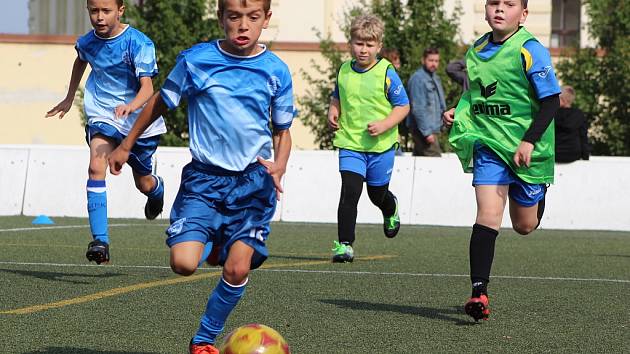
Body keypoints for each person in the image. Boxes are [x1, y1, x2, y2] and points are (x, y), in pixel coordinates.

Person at [108, 0, 293, 352]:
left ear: (266, 19)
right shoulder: (197, 61)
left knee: (238, 270)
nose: (243, 26)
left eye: (253, 18)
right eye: (234, 17)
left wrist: (280, 164)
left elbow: (283, 130)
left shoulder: (276, 71)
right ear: (221, 17)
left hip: (253, 185)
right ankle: (217, 239)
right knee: (183, 264)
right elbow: (160, 101)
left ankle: (204, 340)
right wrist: (126, 145)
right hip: (204, 182)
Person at [442, 0, 561, 322]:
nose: (499, 9)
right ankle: (479, 292)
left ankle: (539, 194)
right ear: (485, 10)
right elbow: (476, 94)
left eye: (509, 4)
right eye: (494, 3)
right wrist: (459, 110)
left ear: (522, 15)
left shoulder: (531, 50)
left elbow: (551, 101)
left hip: (527, 149)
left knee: (524, 226)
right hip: (488, 144)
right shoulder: (476, 49)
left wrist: (529, 140)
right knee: (488, 214)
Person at [45, 0, 165, 265]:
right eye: (94, 11)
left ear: (120, 10)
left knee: (142, 183)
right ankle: (100, 241)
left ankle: (156, 190)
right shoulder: (88, 42)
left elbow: (148, 88)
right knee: (95, 168)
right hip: (103, 115)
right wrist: (68, 97)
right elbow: (80, 61)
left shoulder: (138, 43)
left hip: (138, 123)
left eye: (106, 11)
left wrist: (132, 106)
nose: (99, 17)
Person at [328, 14, 410, 263]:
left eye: (369, 45)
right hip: (350, 143)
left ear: (379, 46)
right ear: (350, 43)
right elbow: (337, 96)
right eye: (358, 43)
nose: (363, 50)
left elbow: (403, 106)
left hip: (381, 147)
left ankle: (390, 207)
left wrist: (385, 124)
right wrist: (333, 110)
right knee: (350, 191)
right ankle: (345, 245)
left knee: (376, 195)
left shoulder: (386, 71)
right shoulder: (343, 70)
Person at [406, 48, 446, 156]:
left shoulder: (434, 77)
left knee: (420, 163)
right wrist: (427, 133)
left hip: (431, 129)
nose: (434, 64)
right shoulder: (418, 79)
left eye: (436, 61)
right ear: (423, 60)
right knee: (434, 162)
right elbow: (418, 108)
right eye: (431, 60)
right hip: (423, 131)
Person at [555, 85, 589, 163]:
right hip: (573, 154)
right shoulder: (579, 115)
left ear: (562, 99)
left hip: (555, 153)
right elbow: (583, 137)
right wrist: (586, 158)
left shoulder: (552, 114)